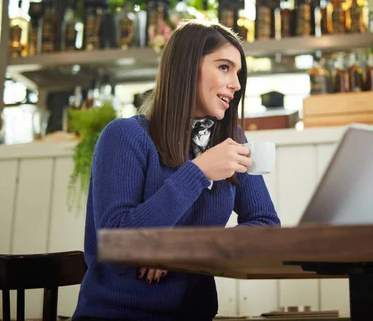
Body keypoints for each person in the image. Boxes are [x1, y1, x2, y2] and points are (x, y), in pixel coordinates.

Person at [72, 20, 281, 321]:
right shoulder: (124, 135)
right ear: (186, 67)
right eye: (224, 67)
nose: (236, 84)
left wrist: (183, 252)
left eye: (238, 73)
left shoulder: (230, 141)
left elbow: (266, 225)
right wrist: (198, 172)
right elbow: (115, 243)